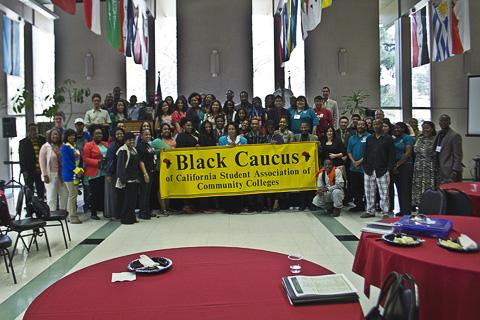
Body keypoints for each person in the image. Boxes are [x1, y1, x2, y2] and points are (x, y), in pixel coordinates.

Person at [362, 119, 395, 218]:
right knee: (369, 192)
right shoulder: (369, 138)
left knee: (384, 193)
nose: (376, 126)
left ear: (382, 126)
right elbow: (366, 153)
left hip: (382, 170)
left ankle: (385, 212)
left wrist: (388, 168)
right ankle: (370, 211)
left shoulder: (388, 138)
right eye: (374, 124)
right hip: (369, 169)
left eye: (378, 124)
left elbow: (392, 155)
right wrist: (365, 165)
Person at [218, 122, 247, 213]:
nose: (231, 131)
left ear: (236, 130)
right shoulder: (222, 139)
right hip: (227, 168)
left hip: (239, 168)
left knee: (238, 188)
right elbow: (218, 152)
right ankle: (228, 208)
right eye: (229, 129)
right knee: (228, 188)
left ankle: (238, 208)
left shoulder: (243, 140)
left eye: (233, 129)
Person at [83, 126, 109, 220]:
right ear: (93, 135)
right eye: (97, 133)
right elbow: (85, 159)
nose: (99, 135)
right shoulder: (88, 145)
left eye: (100, 133)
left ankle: (102, 210)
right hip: (93, 172)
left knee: (102, 193)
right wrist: (98, 162)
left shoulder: (106, 144)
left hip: (104, 173)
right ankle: (93, 213)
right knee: (94, 193)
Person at [39, 128, 68, 212]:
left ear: (60, 136)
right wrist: (45, 174)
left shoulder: (64, 146)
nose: (55, 136)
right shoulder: (46, 147)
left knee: (64, 194)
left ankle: (63, 212)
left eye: (57, 134)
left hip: (63, 174)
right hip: (50, 174)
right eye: (53, 134)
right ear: (50, 136)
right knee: (51, 195)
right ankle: (52, 213)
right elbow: (42, 162)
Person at [116, 132, 141, 224]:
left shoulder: (134, 150)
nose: (132, 141)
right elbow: (120, 166)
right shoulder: (122, 150)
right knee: (126, 201)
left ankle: (132, 218)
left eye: (133, 139)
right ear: (125, 141)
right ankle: (126, 219)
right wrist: (123, 179)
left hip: (134, 179)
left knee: (133, 201)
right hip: (126, 180)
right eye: (129, 140)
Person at [412, 121, 438, 209]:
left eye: (427, 128)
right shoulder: (419, 139)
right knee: (418, 186)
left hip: (430, 166)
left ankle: (430, 205)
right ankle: (419, 204)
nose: (425, 130)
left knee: (429, 186)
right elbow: (415, 151)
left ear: (432, 129)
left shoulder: (436, 139)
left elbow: (435, 153)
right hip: (419, 166)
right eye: (423, 128)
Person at [151, 123, 175, 213]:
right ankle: (163, 208)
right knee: (161, 189)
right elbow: (151, 152)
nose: (167, 131)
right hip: (160, 168)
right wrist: (159, 151)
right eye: (165, 129)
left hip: (171, 168)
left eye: (168, 129)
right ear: (161, 131)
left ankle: (168, 207)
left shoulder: (173, 141)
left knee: (168, 188)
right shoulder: (156, 141)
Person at [391, 122, 415, 215]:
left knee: (405, 190)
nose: (396, 130)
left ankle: (406, 211)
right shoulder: (395, 139)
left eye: (398, 128)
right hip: (396, 167)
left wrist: (397, 165)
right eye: (395, 128)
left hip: (405, 166)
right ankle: (402, 210)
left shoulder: (407, 138)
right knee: (399, 189)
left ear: (403, 129)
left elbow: (408, 153)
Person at [347, 119, 370, 212]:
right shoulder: (352, 138)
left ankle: (368, 205)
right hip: (353, 168)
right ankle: (358, 205)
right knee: (355, 188)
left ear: (366, 126)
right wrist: (353, 161)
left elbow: (369, 152)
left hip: (364, 168)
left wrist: (359, 161)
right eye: (359, 124)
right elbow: (349, 151)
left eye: (362, 125)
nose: (360, 126)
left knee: (366, 188)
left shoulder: (369, 137)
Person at [19, 123, 46, 203]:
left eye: (35, 129)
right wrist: (24, 171)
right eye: (32, 130)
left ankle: (42, 208)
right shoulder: (23, 142)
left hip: (40, 170)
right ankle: (29, 209)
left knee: (41, 190)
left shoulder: (42, 140)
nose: (34, 131)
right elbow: (22, 158)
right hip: (29, 171)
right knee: (29, 191)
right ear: (28, 131)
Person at [61, 129, 83, 224]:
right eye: (70, 135)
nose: (72, 137)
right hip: (69, 174)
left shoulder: (75, 147)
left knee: (73, 195)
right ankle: (72, 216)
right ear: (66, 137)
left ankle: (71, 215)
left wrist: (80, 169)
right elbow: (67, 162)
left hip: (76, 174)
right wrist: (77, 170)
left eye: (73, 135)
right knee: (72, 195)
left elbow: (78, 160)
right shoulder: (65, 147)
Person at [434, 114, 463, 183]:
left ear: (449, 122)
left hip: (450, 170)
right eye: (441, 121)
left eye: (445, 121)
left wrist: (455, 171)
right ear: (439, 122)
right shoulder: (438, 133)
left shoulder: (455, 136)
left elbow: (458, 155)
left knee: (452, 192)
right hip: (439, 169)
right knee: (440, 192)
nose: (443, 122)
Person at [105, 127, 124, 219]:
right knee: (115, 195)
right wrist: (109, 174)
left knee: (122, 194)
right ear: (114, 136)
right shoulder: (112, 145)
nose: (120, 135)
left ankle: (122, 212)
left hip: (123, 173)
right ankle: (115, 214)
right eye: (118, 134)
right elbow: (110, 160)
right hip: (115, 173)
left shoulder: (125, 144)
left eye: (121, 133)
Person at [137, 128, 155, 220]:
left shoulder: (148, 145)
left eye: (149, 134)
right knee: (144, 192)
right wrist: (145, 173)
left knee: (148, 193)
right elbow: (141, 161)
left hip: (151, 171)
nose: (148, 136)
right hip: (144, 172)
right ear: (141, 136)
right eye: (146, 135)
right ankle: (142, 212)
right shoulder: (140, 147)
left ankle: (147, 210)